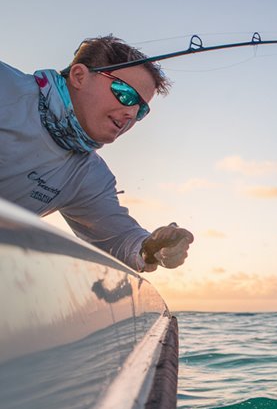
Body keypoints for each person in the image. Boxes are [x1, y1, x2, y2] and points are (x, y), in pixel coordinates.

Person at [0, 35, 193, 272]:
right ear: (79, 76)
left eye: (141, 109)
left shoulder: (88, 176)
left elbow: (120, 239)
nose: (131, 113)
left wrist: (151, 248)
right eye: (125, 94)